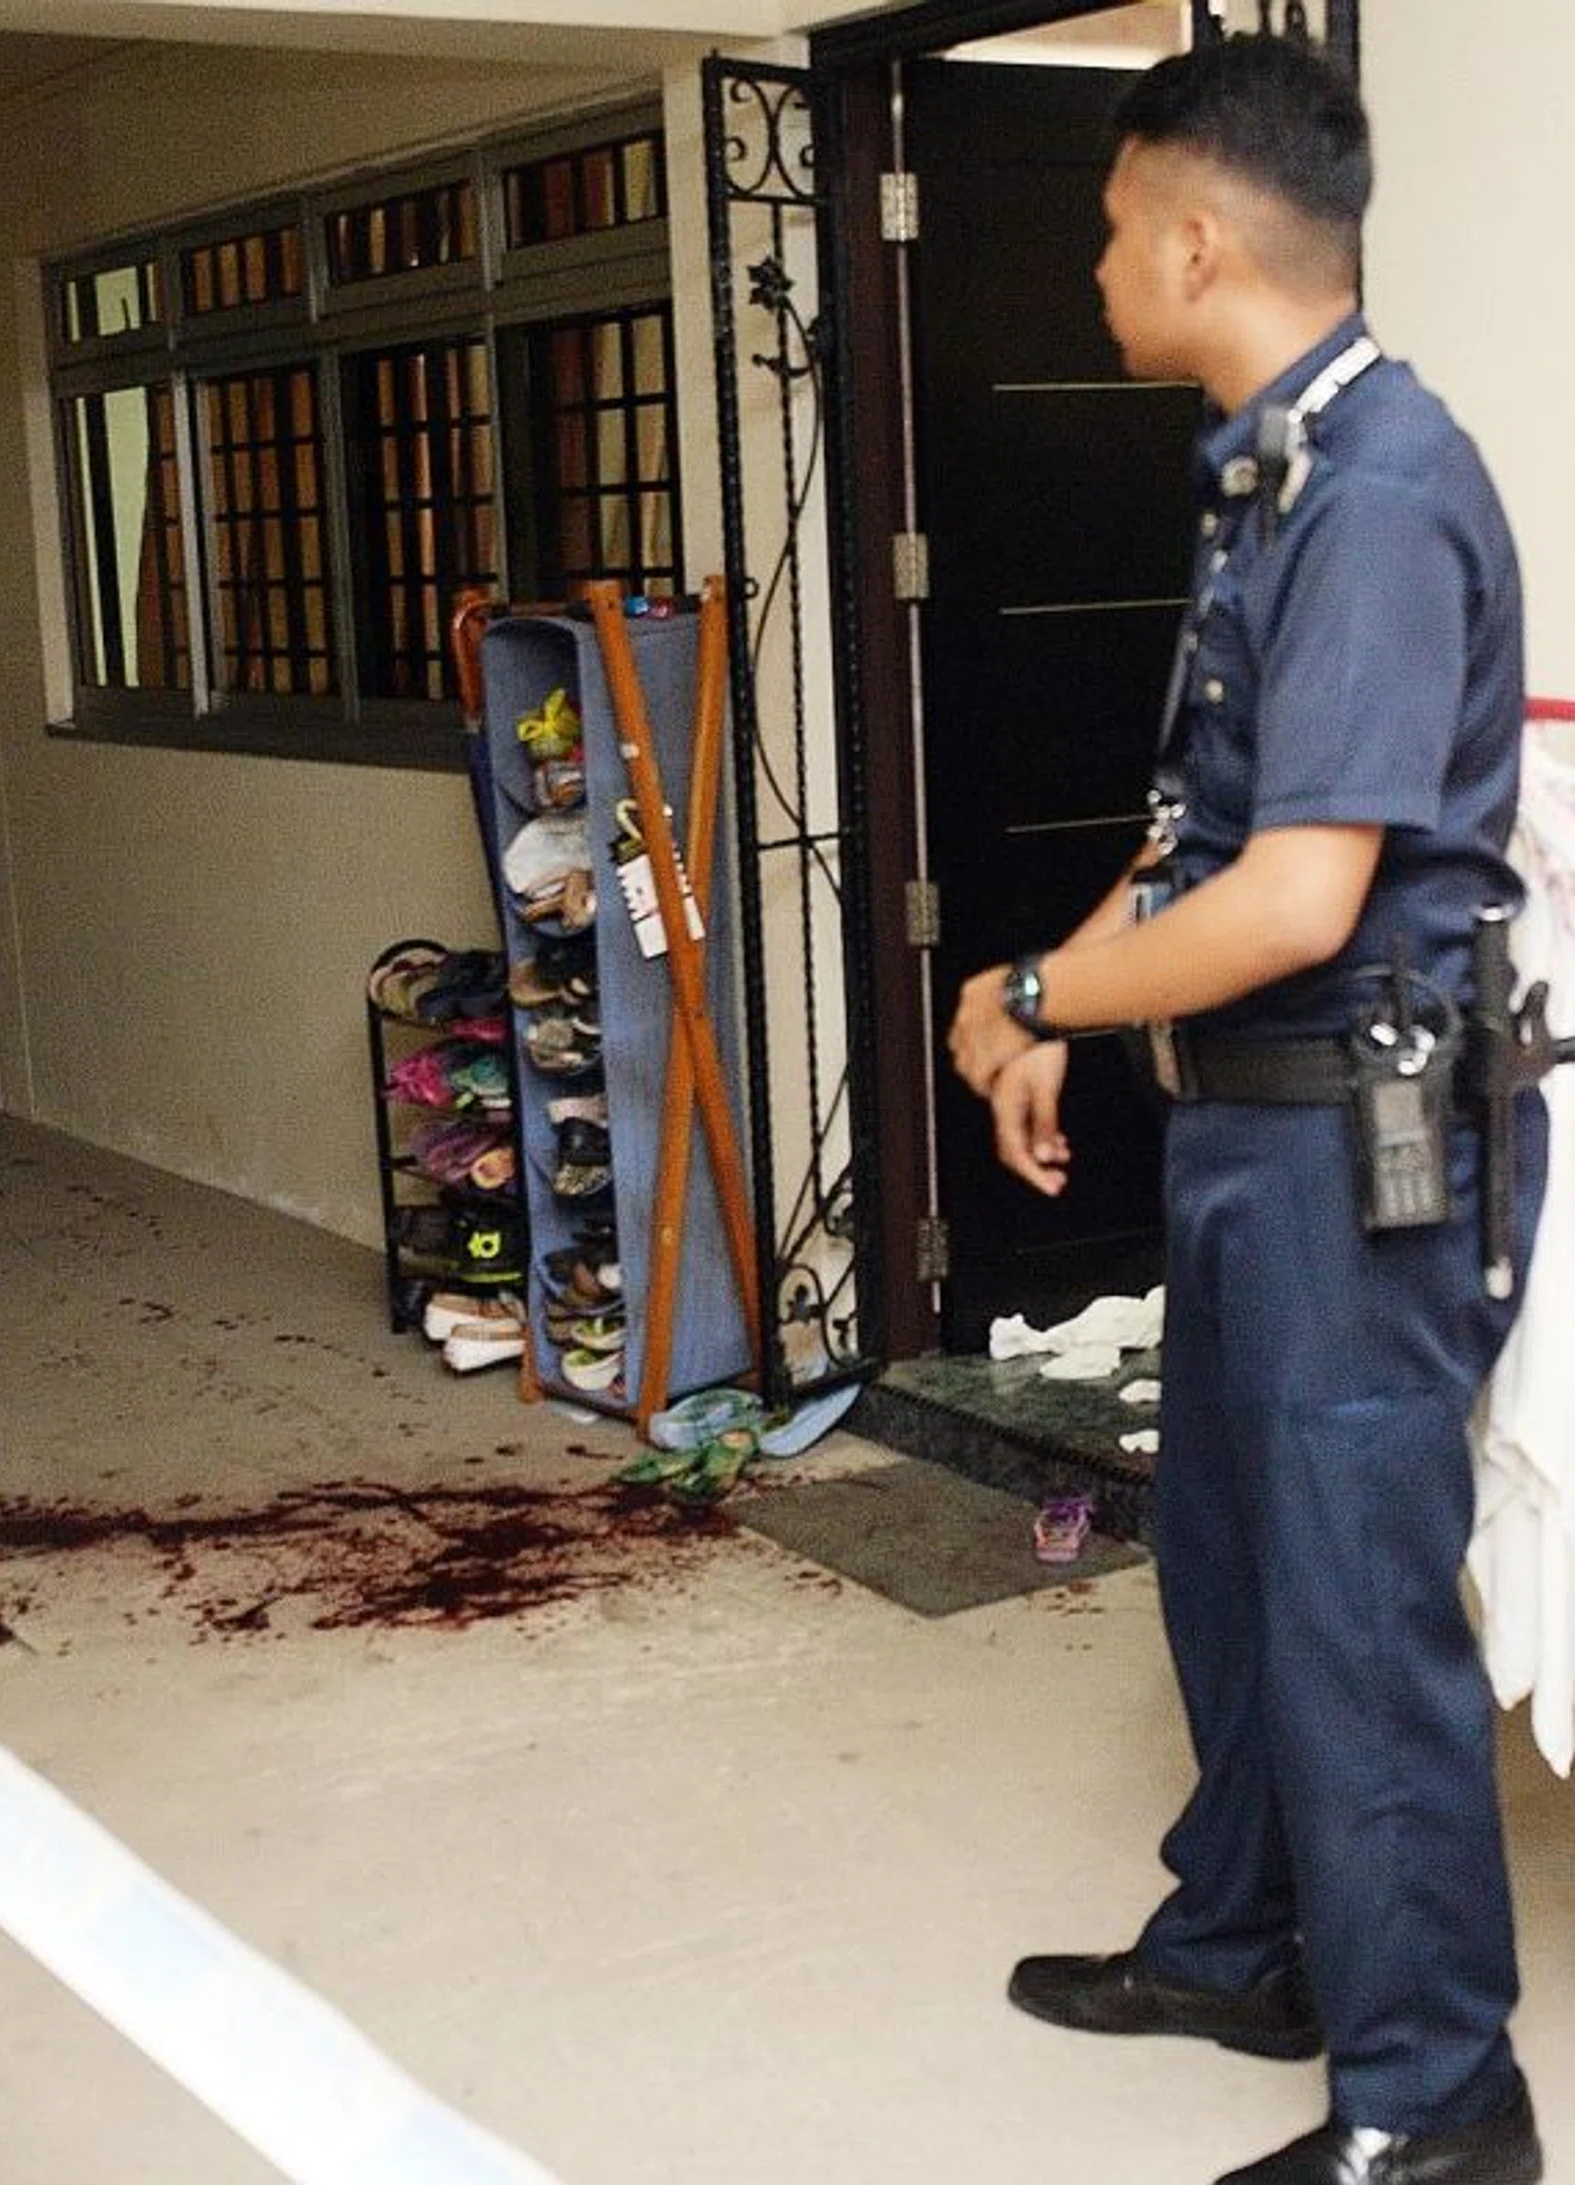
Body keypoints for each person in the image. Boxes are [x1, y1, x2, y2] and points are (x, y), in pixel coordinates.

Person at [947, 36, 1549, 2185]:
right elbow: (1210, 836)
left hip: (1358, 1146)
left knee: (1348, 1606)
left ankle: (1441, 2107)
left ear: (1200, 234)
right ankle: (1245, 1943)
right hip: (1249, 1131)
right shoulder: (1267, 470)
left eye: (1114, 227)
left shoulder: (1382, 488)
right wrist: (1068, 1009)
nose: (1097, 264)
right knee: (1225, 1552)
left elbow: (1309, 896)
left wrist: (1026, 986)